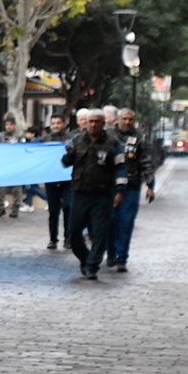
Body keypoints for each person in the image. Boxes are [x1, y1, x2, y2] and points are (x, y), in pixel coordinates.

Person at [62, 109, 125, 280]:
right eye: (90, 121)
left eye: (97, 121)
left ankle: (93, 265)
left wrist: (119, 191)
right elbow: (64, 163)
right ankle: (85, 258)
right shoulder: (76, 140)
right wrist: (69, 155)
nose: (93, 124)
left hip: (102, 194)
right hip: (80, 193)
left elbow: (120, 168)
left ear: (103, 124)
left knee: (99, 232)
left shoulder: (113, 143)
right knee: (73, 233)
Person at [107, 108, 155, 272]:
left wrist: (150, 185)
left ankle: (122, 258)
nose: (127, 122)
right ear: (118, 119)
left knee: (125, 223)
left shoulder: (139, 137)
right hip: (109, 186)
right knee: (110, 222)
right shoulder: (108, 135)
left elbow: (146, 162)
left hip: (131, 187)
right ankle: (111, 252)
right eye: (124, 119)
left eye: (130, 119)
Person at [43, 113, 73, 250]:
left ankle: (68, 238)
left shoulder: (70, 139)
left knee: (68, 207)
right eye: (53, 123)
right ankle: (53, 239)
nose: (55, 126)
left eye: (58, 123)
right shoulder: (45, 140)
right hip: (51, 179)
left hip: (67, 180)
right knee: (53, 211)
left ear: (64, 124)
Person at [0, 114, 25, 218]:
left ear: (15, 125)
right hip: (3, 164)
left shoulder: (19, 136)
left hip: (16, 164)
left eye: (10, 124)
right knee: (0, 187)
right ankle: (1, 207)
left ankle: (15, 208)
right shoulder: (0, 136)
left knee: (16, 188)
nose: (8, 126)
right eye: (6, 124)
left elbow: (23, 149)